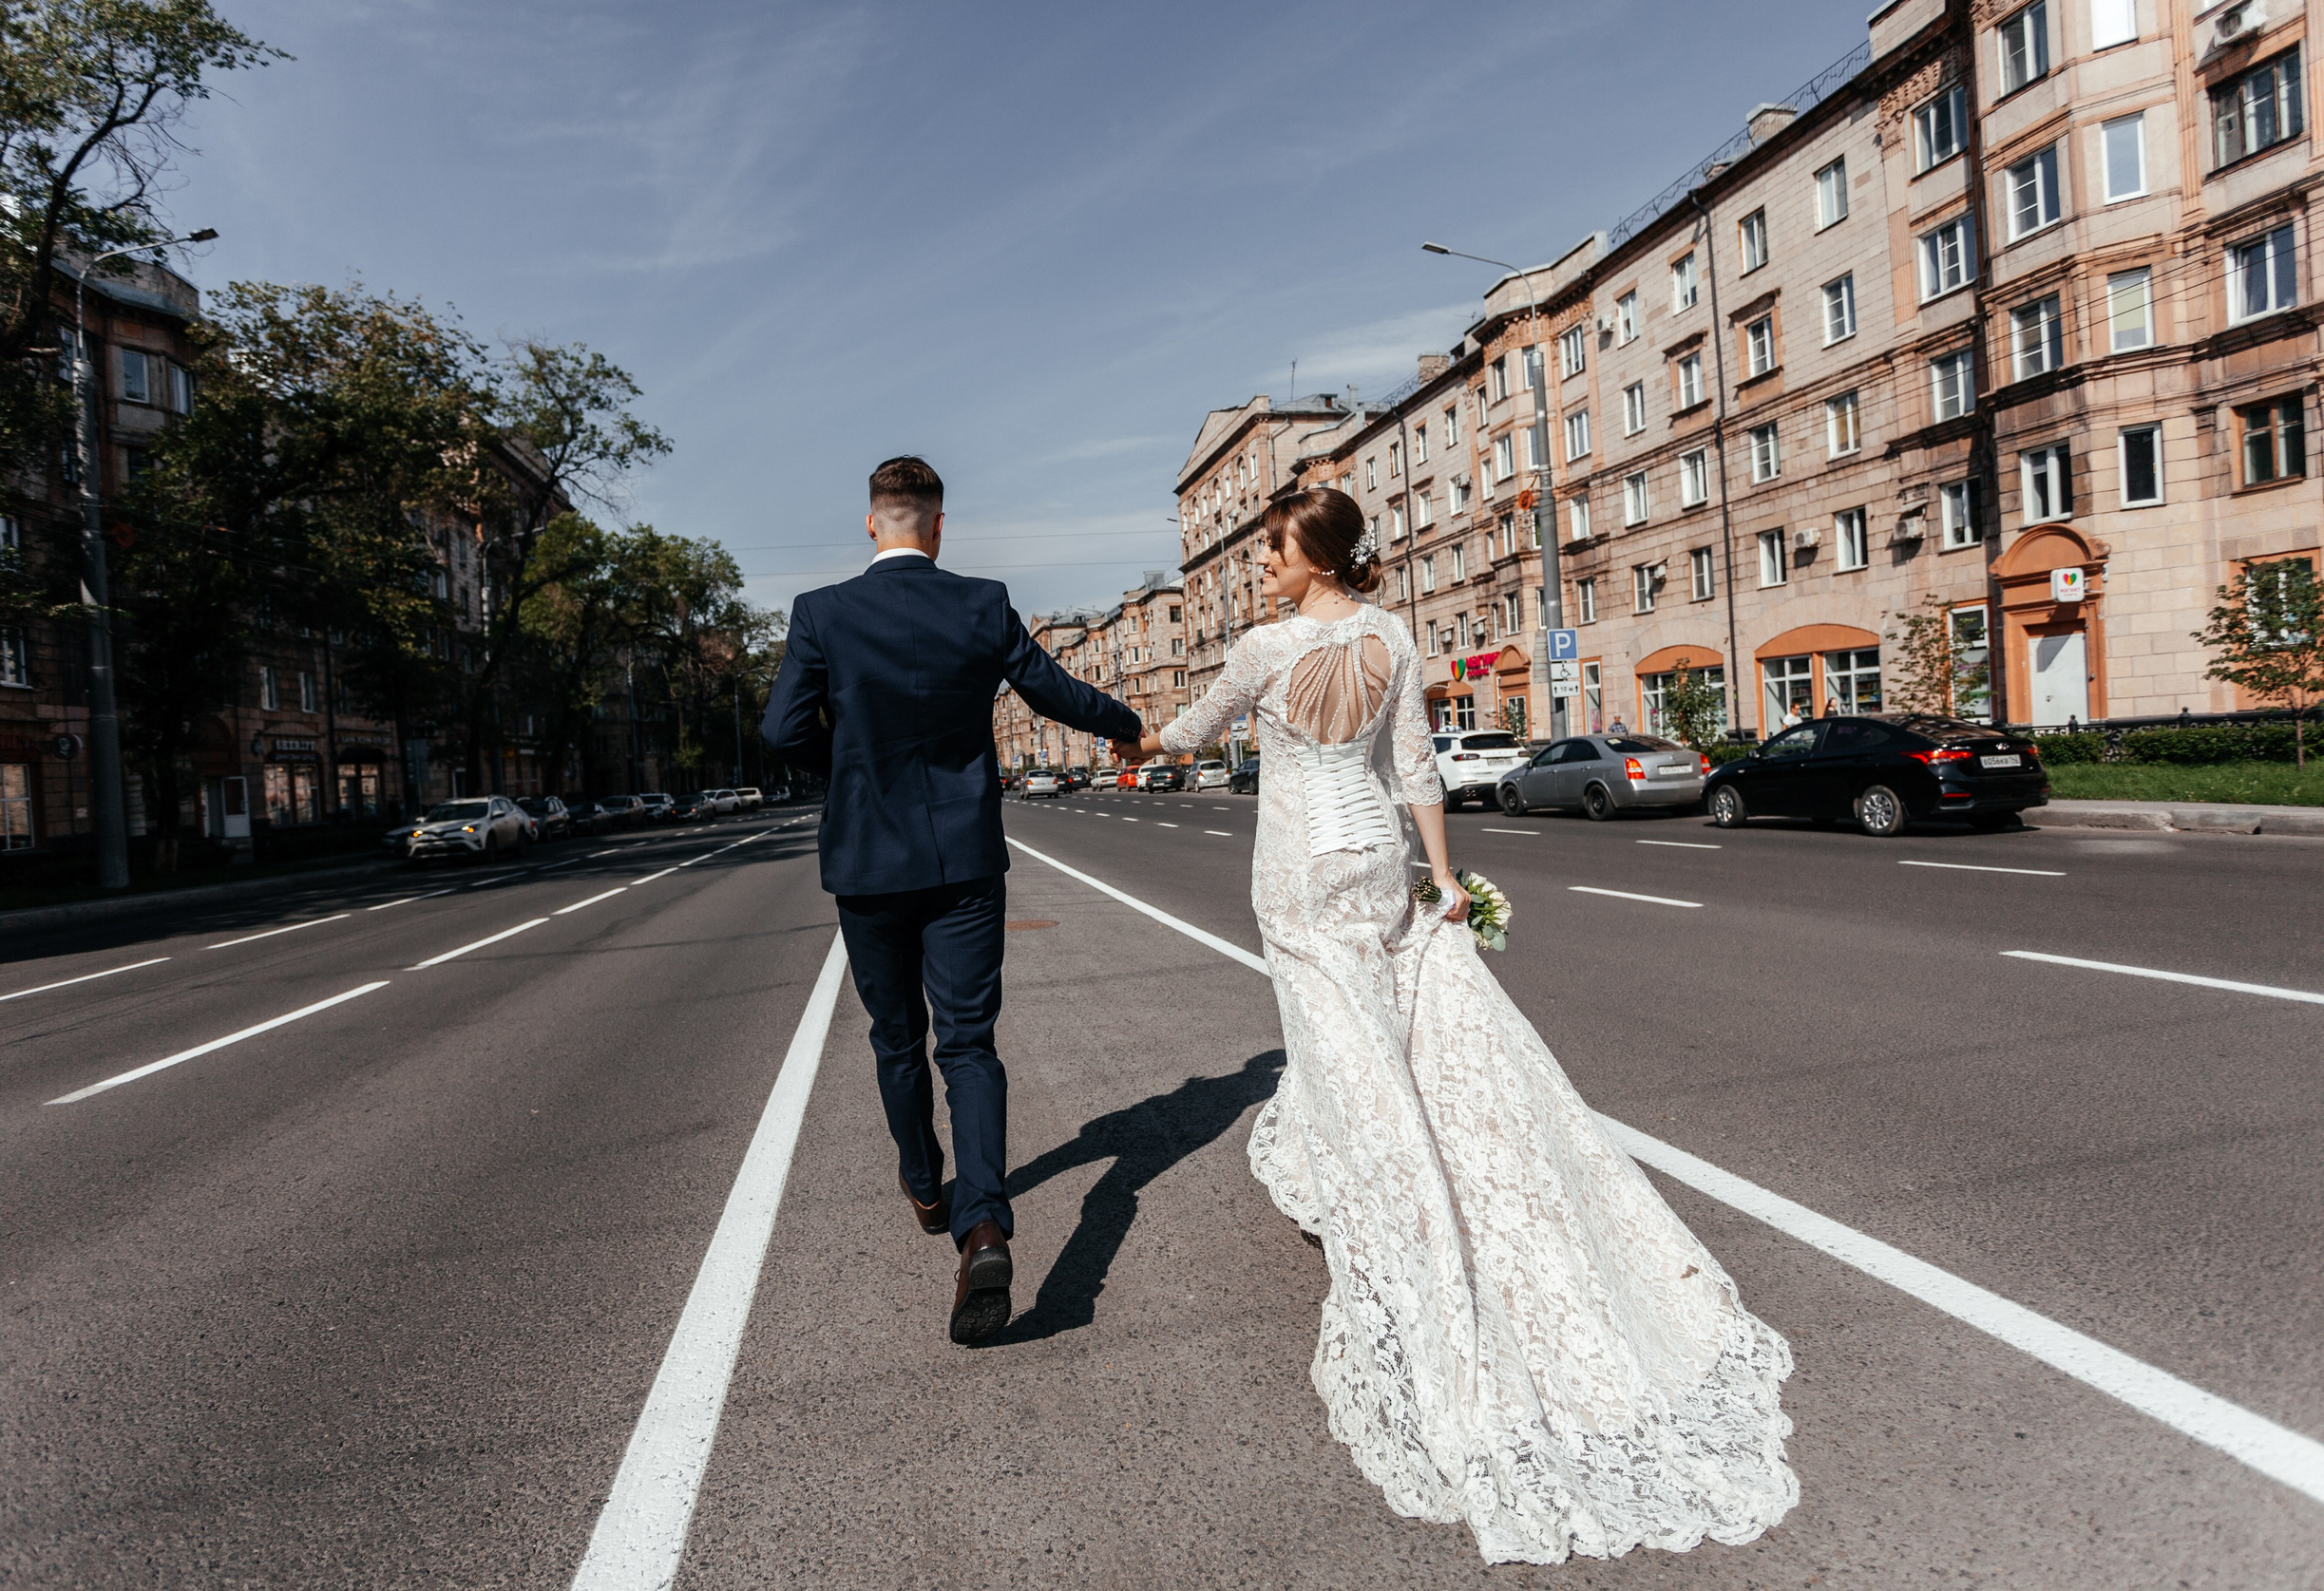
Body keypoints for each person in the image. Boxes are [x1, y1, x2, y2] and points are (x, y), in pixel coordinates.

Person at [1114, 487, 1797, 1564]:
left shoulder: (1260, 650)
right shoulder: (1392, 634)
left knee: (1344, 1052)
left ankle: (1400, 1211)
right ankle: (1387, 1161)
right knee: (1380, 1036)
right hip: (1379, 863)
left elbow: (1177, 736)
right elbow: (1418, 770)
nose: (1261, 573)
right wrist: (1442, 882)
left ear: (1317, 557)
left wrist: (1110, 722)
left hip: (1298, 877)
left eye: (1273, 554)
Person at [761, 456, 1141, 1345]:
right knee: (969, 1043)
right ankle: (984, 1227)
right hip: (964, 860)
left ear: (871, 524)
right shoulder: (981, 601)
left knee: (897, 1036)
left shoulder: (823, 613)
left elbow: (781, 730)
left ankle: (926, 1183)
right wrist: (1128, 724)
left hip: (866, 862)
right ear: (939, 525)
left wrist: (850, 769)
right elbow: (1050, 688)